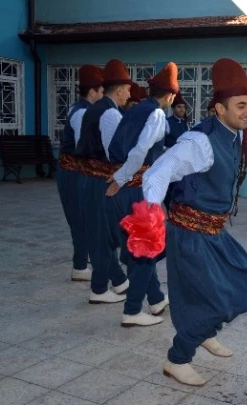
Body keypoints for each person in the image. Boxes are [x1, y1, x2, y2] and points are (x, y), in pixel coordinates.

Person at [139, 57, 247, 386]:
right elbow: (157, 172)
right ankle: (177, 359)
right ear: (219, 109)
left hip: (215, 232)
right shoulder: (199, 143)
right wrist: (151, 215)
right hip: (190, 234)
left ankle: (204, 331)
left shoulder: (238, 130)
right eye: (240, 106)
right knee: (213, 299)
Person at [105, 62, 179, 326]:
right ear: (170, 96)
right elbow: (139, 152)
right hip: (138, 192)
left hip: (125, 190)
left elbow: (115, 146)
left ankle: (156, 298)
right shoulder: (157, 115)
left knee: (139, 247)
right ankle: (133, 310)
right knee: (147, 250)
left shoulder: (133, 112)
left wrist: (118, 177)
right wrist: (122, 178)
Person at [74, 58, 132, 304]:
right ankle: (99, 290)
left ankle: (116, 283)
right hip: (99, 182)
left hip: (90, 179)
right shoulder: (109, 113)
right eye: (128, 89)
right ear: (118, 89)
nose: (129, 94)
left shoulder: (95, 109)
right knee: (104, 236)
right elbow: (115, 153)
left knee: (103, 234)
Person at [56, 64, 103, 282]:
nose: (103, 95)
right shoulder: (82, 113)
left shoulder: (82, 109)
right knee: (79, 218)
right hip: (73, 173)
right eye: (101, 91)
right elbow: (84, 147)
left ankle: (86, 258)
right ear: (92, 91)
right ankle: (80, 266)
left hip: (77, 171)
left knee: (87, 217)